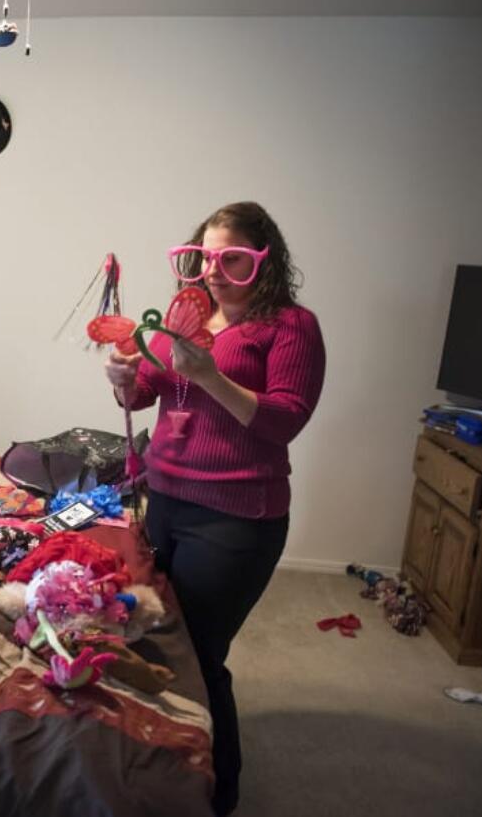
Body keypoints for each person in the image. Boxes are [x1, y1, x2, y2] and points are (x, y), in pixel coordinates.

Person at [104, 201, 325, 817]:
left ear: (263, 261)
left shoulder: (290, 326)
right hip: (166, 502)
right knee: (160, 638)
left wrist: (209, 376)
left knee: (198, 654)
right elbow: (148, 391)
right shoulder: (184, 317)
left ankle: (218, 790)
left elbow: (284, 420)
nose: (215, 271)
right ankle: (166, 759)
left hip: (237, 520)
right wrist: (120, 376)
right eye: (203, 257)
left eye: (232, 258)